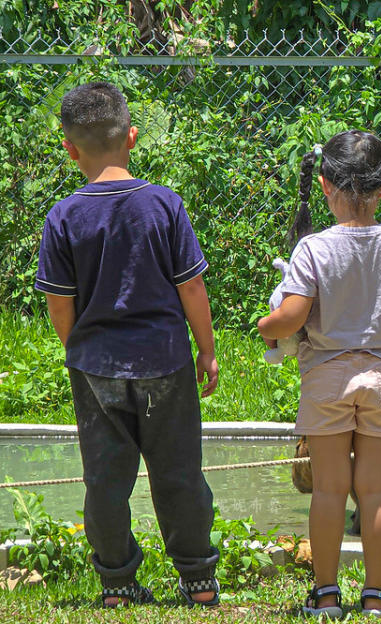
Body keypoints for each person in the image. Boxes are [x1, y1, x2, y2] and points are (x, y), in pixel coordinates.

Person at [35, 82, 221, 607]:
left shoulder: (63, 217)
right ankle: (198, 581)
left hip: (97, 367)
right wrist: (205, 350)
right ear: (132, 138)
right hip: (164, 360)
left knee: (106, 480)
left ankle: (117, 583)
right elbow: (192, 285)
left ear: (70, 149)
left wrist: (82, 349)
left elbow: (59, 304)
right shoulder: (164, 205)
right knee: (180, 473)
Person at [257, 130, 381, 617]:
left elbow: (290, 318)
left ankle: (326, 594)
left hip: (328, 378)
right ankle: (375, 595)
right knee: (376, 490)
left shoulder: (312, 248)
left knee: (330, 487)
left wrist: (265, 325)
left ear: (326, 185)